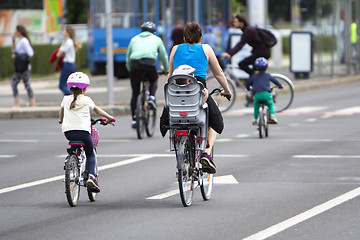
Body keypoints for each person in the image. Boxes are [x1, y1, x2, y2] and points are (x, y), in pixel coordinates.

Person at [167, 22, 232, 174]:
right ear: (201, 37)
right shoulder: (206, 48)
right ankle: (206, 154)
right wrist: (228, 91)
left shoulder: (175, 48)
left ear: (184, 38)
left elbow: (169, 74)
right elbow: (218, 73)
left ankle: (181, 155)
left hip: (175, 91)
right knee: (213, 119)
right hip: (198, 92)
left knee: (174, 118)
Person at [59, 72, 115, 193]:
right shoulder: (87, 100)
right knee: (90, 154)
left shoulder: (65, 99)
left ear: (70, 88)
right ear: (85, 89)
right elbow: (98, 111)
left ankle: (71, 157)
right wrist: (110, 117)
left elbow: (61, 114)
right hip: (83, 133)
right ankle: (91, 177)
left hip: (68, 133)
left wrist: (61, 121)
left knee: (74, 145)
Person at [126, 21, 169, 129]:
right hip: (149, 63)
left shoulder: (134, 39)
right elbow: (163, 56)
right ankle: (151, 97)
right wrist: (166, 70)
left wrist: (130, 69)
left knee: (135, 93)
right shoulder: (157, 39)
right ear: (153, 32)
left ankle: (134, 119)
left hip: (134, 64)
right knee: (154, 79)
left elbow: (128, 57)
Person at [246, 57, 283, 125]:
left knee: (256, 106)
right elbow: (275, 81)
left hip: (257, 95)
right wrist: (280, 86)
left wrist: (249, 88)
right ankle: (272, 117)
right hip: (266, 94)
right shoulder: (268, 75)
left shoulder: (254, 76)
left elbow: (248, 84)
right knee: (270, 104)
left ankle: (255, 119)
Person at [11, 25, 36, 107]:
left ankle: (21, 103)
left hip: (24, 67)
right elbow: (14, 50)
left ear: (19, 32)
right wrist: (13, 40)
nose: (15, 33)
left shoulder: (24, 41)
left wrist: (20, 56)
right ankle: (30, 103)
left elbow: (30, 53)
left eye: (16, 31)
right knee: (23, 84)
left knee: (21, 84)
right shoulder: (21, 41)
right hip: (20, 67)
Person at [56, 25, 81, 95]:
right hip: (70, 65)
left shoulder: (68, 42)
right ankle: (68, 103)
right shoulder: (71, 42)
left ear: (67, 32)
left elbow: (58, 55)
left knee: (62, 86)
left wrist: (61, 47)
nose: (63, 32)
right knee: (67, 86)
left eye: (64, 30)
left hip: (68, 65)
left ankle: (74, 98)